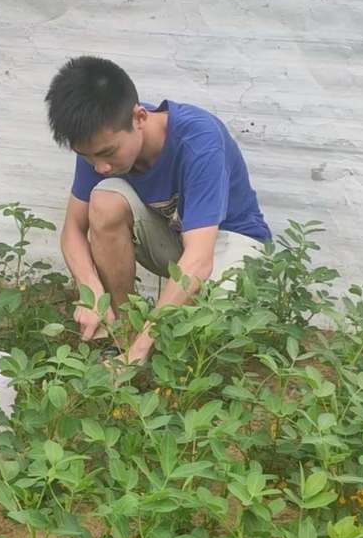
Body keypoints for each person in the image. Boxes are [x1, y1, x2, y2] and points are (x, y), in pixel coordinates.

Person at [44, 56, 271, 364]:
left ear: (140, 117)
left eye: (107, 153)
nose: (100, 167)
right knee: (105, 201)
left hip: (230, 243)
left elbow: (198, 260)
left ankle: (140, 349)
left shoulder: (199, 140)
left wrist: (142, 350)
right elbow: (72, 231)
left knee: (206, 332)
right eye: (88, 157)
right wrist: (92, 291)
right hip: (179, 242)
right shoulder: (97, 142)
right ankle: (125, 334)